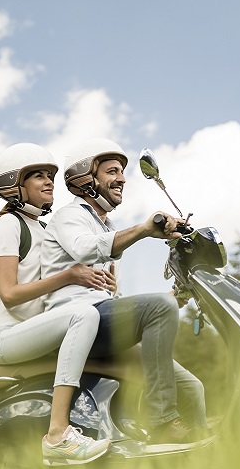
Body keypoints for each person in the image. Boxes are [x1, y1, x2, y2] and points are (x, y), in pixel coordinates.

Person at [41, 137, 209, 446]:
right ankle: (162, 421)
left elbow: (112, 299)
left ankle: (198, 466)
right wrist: (144, 230)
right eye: (112, 171)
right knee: (158, 308)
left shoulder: (104, 224)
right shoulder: (70, 216)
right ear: (85, 180)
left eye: (121, 172)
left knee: (191, 387)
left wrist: (175, 298)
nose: (121, 179)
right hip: (74, 320)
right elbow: (83, 249)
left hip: (100, 318)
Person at [0, 143, 113, 466]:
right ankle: (57, 434)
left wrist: (99, 283)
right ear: (15, 186)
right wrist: (71, 275)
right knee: (82, 317)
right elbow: (10, 293)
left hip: (35, 332)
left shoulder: (45, 229)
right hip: (6, 335)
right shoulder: (10, 225)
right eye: (38, 176)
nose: (48, 182)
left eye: (50, 176)